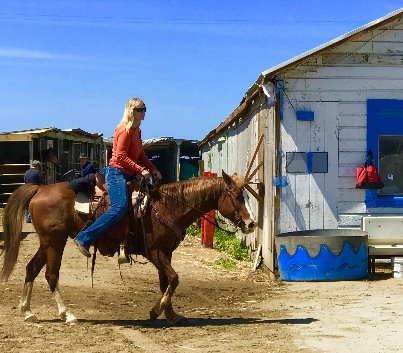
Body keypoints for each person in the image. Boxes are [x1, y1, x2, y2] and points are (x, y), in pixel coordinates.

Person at [74, 98, 162, 257]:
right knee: (119, 208)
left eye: (144, 109)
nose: (144, 113)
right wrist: (141, 169)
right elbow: (120, 156)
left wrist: (153, 168)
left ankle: (129, 244)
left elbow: (140, 154)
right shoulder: (124, 130)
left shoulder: (137, 131)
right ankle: (84, 238)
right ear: (131, 111)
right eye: (140, 110)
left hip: (130, 173)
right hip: (117, 173)